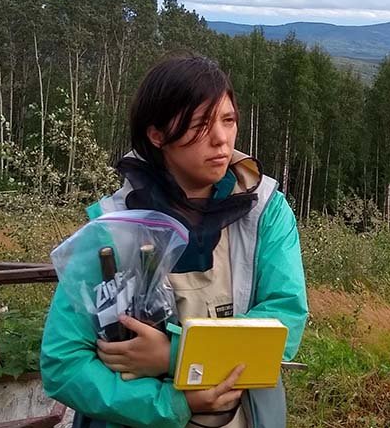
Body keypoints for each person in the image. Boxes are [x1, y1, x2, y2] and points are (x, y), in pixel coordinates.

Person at [41, 54, 309, 428]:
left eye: (228, 120)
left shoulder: (264, 211)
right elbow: (64, 363)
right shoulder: (113, 226)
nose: (221, 139)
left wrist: (175, 355)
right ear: (158, 135)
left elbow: (284, 322)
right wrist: (170, 402)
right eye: (200, 124)